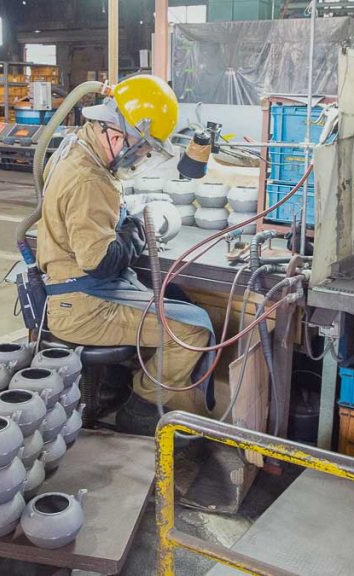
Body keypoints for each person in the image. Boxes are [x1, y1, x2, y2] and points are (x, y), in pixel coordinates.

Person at [35, 75, 213, 435]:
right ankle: (144, 407)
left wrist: (122, 213)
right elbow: (100, 263)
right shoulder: (89, 179)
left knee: (174, 297)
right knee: (193, 330)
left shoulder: (76, 147)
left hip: (72, 287)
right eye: (141, 148)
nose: (140, 157)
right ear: (116, 135)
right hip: (84, 305)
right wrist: (134, 229)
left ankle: (116, 387)